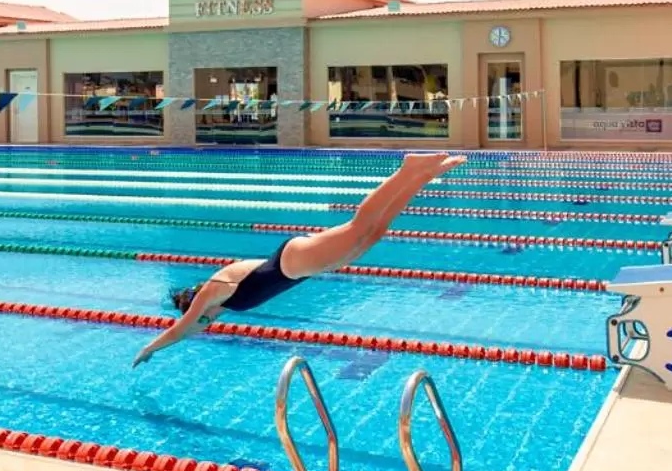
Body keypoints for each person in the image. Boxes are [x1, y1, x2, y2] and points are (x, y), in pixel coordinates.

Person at [132, 150, 467, 366]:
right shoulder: (218, 306)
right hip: (299, 268)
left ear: (195, 304)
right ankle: (423, 175)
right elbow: (192, 330)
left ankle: (406, 169)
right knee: (374, 232)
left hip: (291, 262)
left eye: (200, 319)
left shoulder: (211, 292)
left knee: (359, 226)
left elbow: (182, 329)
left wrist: (149, 349)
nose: (204, 325)